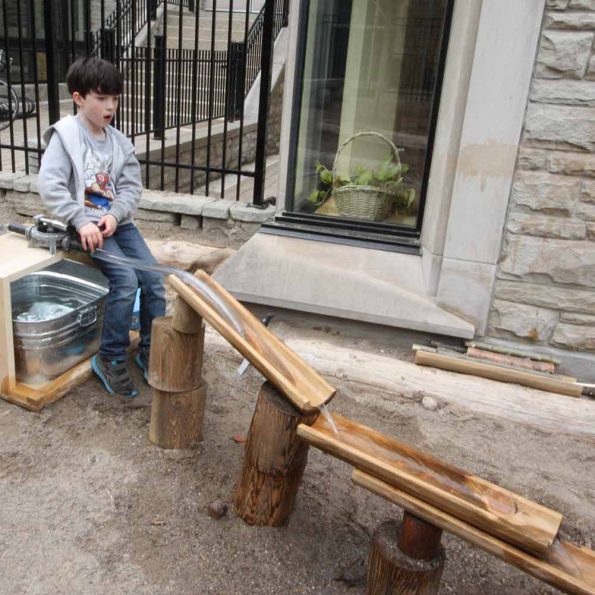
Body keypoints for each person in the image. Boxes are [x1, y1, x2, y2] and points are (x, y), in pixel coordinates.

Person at [38, 57, 165, 398]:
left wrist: (115, 215)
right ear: (78, 98)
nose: (110, 106)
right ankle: (110, 356)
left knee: (154, 279)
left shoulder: (119, 143)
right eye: (101, 98)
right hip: (84, 227)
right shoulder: (66, 136)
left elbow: (130, 188)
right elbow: (50, 186)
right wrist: (81, 220)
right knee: (126, 280)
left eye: (115, 99)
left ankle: (150, 349)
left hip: (117, 224)